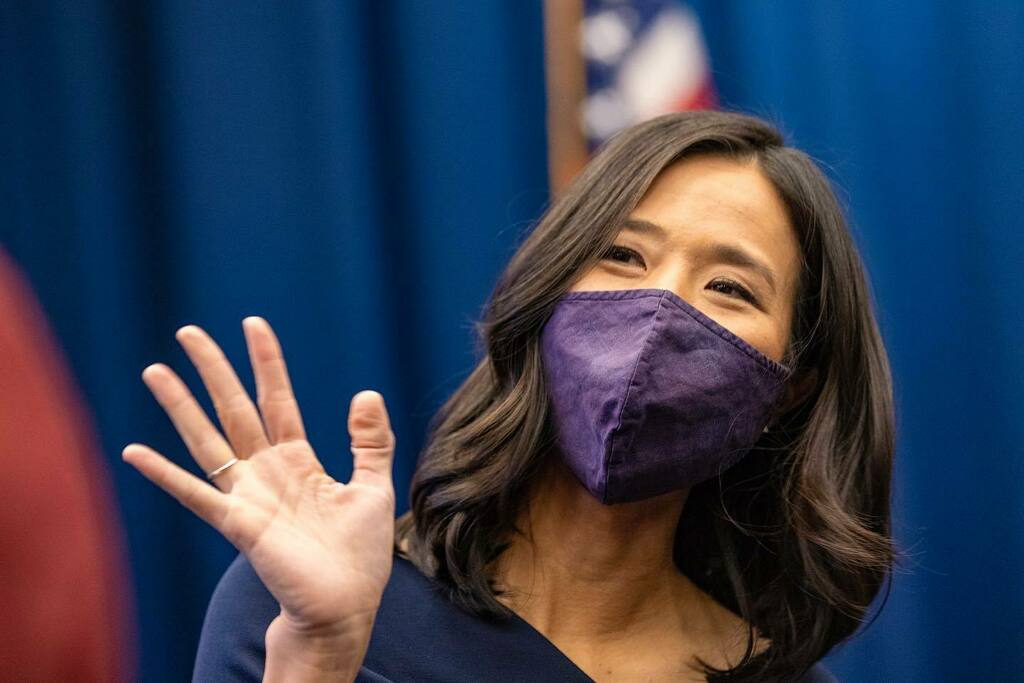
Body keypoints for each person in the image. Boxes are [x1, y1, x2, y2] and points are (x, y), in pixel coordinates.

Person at [123, 110, 896, 681]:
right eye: (622, 254)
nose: (662, 306)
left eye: (728, 286)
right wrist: (323, 654)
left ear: (789, 390)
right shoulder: (303, 595)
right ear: (545, 299)